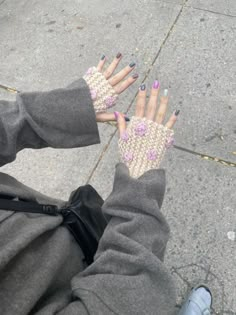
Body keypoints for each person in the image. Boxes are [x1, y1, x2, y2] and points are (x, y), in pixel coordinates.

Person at [0, 53, 212, 315]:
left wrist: (58, 110)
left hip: (63, 234)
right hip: (67, 295)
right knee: (151, 298)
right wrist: (137, 188)